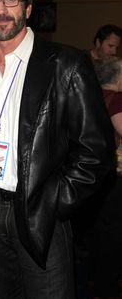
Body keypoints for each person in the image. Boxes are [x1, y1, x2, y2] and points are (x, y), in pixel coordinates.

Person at [0, 0, 115, 299]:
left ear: (28, 6)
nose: (1, 10)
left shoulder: (65, 65)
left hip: (40, 213)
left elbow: (96, 151)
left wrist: (54, 203)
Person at [88, 57, 122, 299]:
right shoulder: (117, 99)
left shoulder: (90, 95)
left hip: (90, 172)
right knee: (113, 232)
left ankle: (93, 278)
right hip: (115, 172)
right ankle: (106, 286)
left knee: (97, 229)